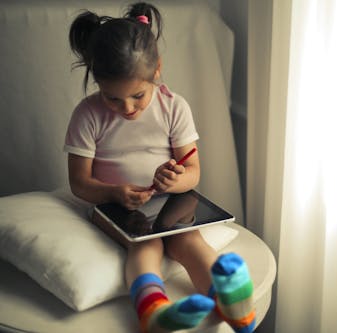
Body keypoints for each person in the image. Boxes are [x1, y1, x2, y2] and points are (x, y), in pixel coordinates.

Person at [64, 3, 255, 332]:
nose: (127, 108)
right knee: (147, 243)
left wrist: (176, 181)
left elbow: (193, 171)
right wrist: (114, 192)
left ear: (157, 71)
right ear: (97, 82)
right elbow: (79, 183)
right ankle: (152, 313)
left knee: (188, 241)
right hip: (112, 207)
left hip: (167, 203)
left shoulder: (174, 107)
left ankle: (234, 305)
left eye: (138, 95)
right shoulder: (87, 114)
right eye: (113, 98)